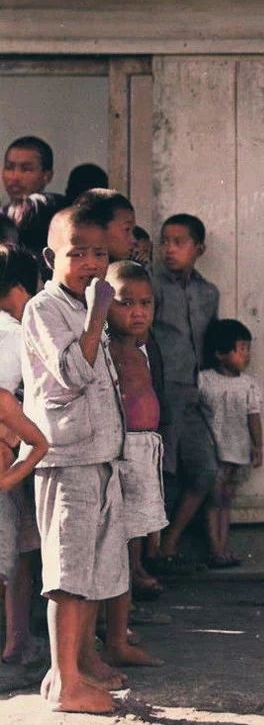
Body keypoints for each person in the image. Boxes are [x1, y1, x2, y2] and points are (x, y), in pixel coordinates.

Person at [22, 206, 127, 713]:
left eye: (100, 253)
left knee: (90, 569)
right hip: (66, 460)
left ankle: (68, 671)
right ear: (50, 257)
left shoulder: (86, 304)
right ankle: (67, 684)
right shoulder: (45, 308)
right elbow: (73, 374)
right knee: (67, 573)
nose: (90, 262)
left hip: (97, 456)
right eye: (76, 252)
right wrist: (96, 316)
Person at [100, 261, 165, 667]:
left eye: (145, 303)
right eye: (126, 303)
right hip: (120, 454)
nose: (137, 312)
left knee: (132, 543)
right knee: (114, 546)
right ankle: (110, 631)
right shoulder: (107, 348)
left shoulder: (141, 346)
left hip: (144, 452)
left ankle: (119, 627)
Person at [150, 214, 219, 571]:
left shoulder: (208, 293)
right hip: (160, 391)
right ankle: (150, 554)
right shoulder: (152, 285)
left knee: (205, 470)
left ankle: (170, 541)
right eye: (165, 241)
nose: (169, 249)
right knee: (163, 474)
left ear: (199, 249)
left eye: (179, 242)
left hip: (194, 393)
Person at [0, 244, 50, 667]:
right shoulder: (18, 333)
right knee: (16, 550)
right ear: (20, 288)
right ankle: (17, 640)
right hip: (10, 456)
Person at [198, 319, 263, 568]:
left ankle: (224, 548)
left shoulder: (248, 385)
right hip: (214, 452)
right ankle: (215, 549)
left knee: (225, 502)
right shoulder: (204, 381)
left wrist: (258, 447)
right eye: (241, 348)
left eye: (248, 348)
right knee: (213, 502)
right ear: (220, 353)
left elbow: (253, 418)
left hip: (237, 453)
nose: (247, 355)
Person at [3, 137, 65, 258]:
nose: (15, 177)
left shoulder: (55, 213)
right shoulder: (3, 214)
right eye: (9, 167)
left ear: (47, 176)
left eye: (26, 169)